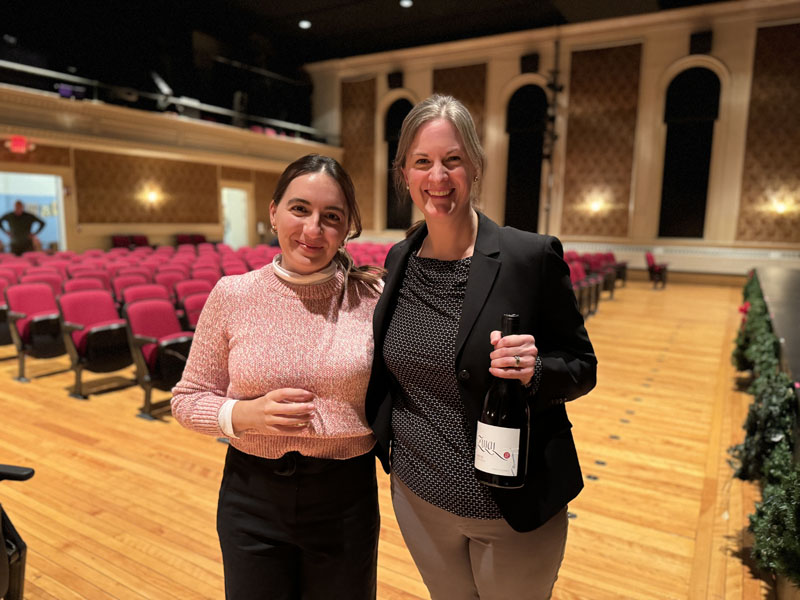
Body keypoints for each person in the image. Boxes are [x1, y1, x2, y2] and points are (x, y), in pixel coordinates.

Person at [366, 94, 597, 599]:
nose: (438, 177)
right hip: (418, 496)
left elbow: (583, 366)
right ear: (403, 171)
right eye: (422, 162)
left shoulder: (529, 256)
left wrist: (535, 372)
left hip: (510, 507)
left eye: (453, 161)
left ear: (475, 166)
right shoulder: (399, 256)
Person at [172, 154, 384, 600]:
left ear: (347, 228)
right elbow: (186, 399)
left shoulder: (371, 296)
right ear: (273, 212)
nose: (312, 230)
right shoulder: (233, 294)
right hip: (253, 496)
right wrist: (244, 414)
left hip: (346, 499)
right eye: (300, 209)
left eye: (331, 217)